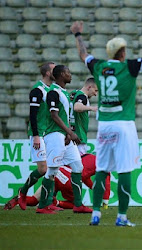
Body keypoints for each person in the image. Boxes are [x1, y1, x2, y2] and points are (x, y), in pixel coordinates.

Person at [70, 16, 142, 226]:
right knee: (124, 170)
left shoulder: (99, 66)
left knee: (102, 169)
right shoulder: (129, 67)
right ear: (122, 52)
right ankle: (121, 216)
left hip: (104, 124)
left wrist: (77, 34)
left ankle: (96, 213)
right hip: (124, 124)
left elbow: (82, 54)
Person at [37, 65, 92, 214]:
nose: (70, 74)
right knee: (53, 169)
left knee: (77, 166)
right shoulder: (53, 92)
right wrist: (70, 132)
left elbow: (63, 116)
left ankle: (78, 205)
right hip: (54, 135)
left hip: (64, 136)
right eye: (68, 72)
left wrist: (68, 134)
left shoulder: (64, 93)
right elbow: (54, 116)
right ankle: (43, 205)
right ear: (61, 75)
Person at [4, 154, 111, 210]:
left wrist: (92, 187)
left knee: (33, 200)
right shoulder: (104, 165)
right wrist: (105, 203)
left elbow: (85, 177)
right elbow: (106, 184)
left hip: (56, 172)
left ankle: (18, 198)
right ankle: (56, 203)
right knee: (76, 204)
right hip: (68, 179)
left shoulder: (90, 157)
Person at [18, 62, 56, 210]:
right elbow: (32, 115)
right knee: (43, 169)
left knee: (53, 168)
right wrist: (35, 135)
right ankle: (23, 190)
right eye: (54, 69)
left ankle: (48, 203)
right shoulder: (37, 90)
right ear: (47, 73)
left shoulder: (52, 89)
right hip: (39, 133)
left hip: (50, 133)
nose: (57, 71)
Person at [70, 77, 98, 155]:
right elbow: (77, 107)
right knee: (79, 165)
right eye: (95, 90)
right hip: (79, 137)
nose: (95, 94)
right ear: (89, 87)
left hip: (69, 135)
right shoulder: (83, 97)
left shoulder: (73, 94)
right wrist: (92, 108)